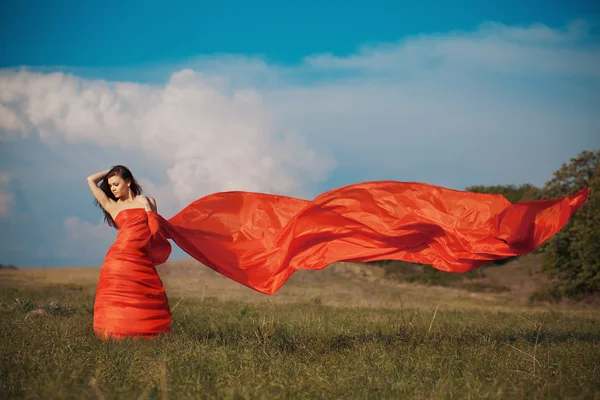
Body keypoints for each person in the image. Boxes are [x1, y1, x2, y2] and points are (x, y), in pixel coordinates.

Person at [88, 165, 589, 340]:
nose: (112, 184)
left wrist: (147, 210)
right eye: (111, 182)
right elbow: (89, 182)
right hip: (119, 258)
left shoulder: (146, 201)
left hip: (137, 255)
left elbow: (155, 230)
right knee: (117, 301)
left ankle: (140, 336)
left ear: (130, 179)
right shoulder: (113, 199)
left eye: (119, 178)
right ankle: (119, 336)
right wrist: (106, 190)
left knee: (144, 309)